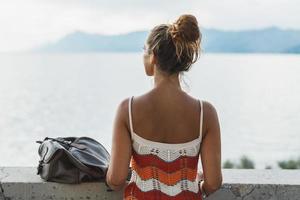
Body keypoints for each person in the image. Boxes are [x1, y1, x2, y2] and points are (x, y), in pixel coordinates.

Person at [105, 14, 222, 199]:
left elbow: (116, 179)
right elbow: (214, 182)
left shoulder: (127, 109)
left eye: (145, 51)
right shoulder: (205, 113)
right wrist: (196, 182)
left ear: (153, 58)